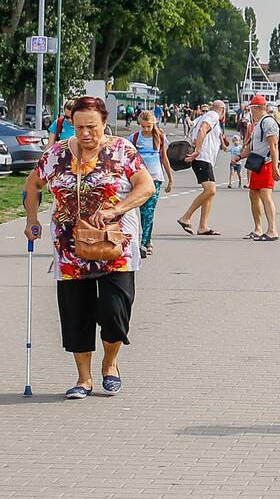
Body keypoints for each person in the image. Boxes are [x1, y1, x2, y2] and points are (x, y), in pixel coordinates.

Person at [23, 96, 155, 398]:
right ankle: (84, 379)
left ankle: (110, 364)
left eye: (92, 127)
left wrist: (113, 210)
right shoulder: (56, 155)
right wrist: (32, 218)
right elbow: (32, 186)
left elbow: (145, 187)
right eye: (79, 126)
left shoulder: (122, 150)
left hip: (115, 245)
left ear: (104, 123)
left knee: (115, 311)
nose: (85, 133)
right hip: (71, 249)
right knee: (76, 313)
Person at [178, 99, 228, 236]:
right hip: (202, 158)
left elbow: (208, 134)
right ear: (222, 110)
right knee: (211, 190)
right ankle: (186, 217)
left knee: (210, 193)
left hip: (206, 159)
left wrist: (222, 144)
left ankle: (203, 226)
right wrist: (198, 150)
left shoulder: (206, 117)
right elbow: (202, 129)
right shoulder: (213, 116)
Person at [129, 110, 174, 257]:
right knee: (141, 211)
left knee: (148, 211)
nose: (146, 129)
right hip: (139, 179)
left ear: (153, 124)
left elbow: (164, 158)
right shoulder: (134, 138)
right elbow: (127, 158)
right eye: (143, 126)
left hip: (155, 179)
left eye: (149, 126)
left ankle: (143, 243)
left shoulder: (160, 137)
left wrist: (170, 178)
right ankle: (147, 241)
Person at [242, 94, 280, 241]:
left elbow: (274, 145)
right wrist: (239, 157)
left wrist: (275, 167)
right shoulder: (257, 124)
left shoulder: (268, 122)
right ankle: (258, 228)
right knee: (253, 195)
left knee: (266, 195)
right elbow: (252, 146)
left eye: (252, 108)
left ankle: (272, 230)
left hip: (266, 163)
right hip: (257, 163)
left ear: (258, 108)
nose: (250, 111)